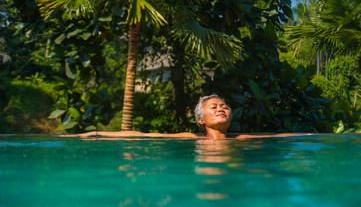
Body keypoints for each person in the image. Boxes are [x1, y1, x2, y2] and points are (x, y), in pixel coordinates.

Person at [65, 94, 309, 139]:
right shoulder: (191, 138)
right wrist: (97, 133)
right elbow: (144, 135)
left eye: (224, 106)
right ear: (200, 120)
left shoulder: (241, 139)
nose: (222, 108)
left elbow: (280, 136)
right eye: (214, 107)